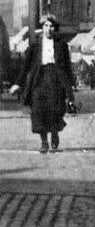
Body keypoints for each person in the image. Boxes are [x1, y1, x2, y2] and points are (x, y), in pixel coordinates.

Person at [8, 15, 75, 153]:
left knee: (55, 109)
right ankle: (44, 142)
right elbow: (26, 66)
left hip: (55, 79)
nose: (48, 29)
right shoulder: (35, 45)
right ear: (42, 28)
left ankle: (55, 135)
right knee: (38, 111)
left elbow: (67, 66)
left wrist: (71, 84)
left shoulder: (61, 45)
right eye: (46, 26)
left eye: (51, 26)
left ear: (54, 28)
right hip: (39, 79)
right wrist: (18, 83)